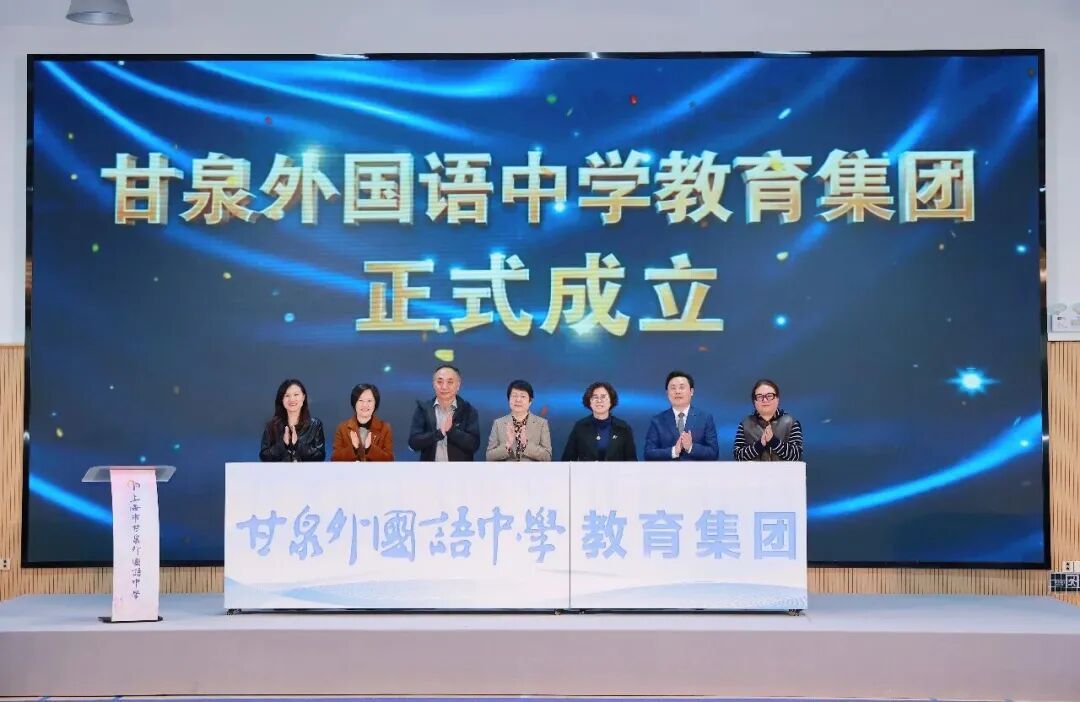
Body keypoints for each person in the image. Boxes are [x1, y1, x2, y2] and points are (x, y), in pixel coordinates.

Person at [408, 364, 481, 461]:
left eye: (450, 382)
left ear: (458, 385)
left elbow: (474, 445)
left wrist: (452, 431)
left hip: (460, 469)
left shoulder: (468, 410)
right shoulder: (423, 409)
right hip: (430, 469)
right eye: (439, 382)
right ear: (433, 384)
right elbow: (413, 443)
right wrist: (438, 434)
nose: (444, 386)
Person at [643, 370, 719, 461]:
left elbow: (714, 453)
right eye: (673, 388)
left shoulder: (705, 418)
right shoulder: (657, 421)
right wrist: (673, 451)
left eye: (682, 387)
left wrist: (690, 447)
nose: (677, 391)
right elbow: (648, 454)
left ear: (691, 391)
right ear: (667, 393)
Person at [561, 381, 637, 461]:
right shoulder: (580, 427)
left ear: (611, 401)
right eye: (595, 397)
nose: (599, 400)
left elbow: (632, 461)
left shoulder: (623, 428)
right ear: (590, 402)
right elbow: (567, 460)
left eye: (603, 397)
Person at [733, 378, 804, 461]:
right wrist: (759, 445)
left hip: (784, 470)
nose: (765, 400)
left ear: (777, 399)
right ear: (754, 401)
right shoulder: (745, 423)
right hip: (754, 470)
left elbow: (796, 455)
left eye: (769, 396)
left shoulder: (791, 422)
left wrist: (774, 441)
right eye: (760, 396)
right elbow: (738, 456)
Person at [259, 378, 325, 462]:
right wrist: (282, 445)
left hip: (305, 471)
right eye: (287, 396)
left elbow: (320, 456)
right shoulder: (271, 426)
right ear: (282, 400)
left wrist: (297, 445)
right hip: (280, 470)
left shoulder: (315, 425)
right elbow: (264, 456)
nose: (292, 399)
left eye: (296, 394)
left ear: (303, 397)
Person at [486, 379, 552, 461]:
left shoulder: (541, 423)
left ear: (530, 401)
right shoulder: (498, 423)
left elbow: (547, 457)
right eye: (514, 396)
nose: (518, 400)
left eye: (523, 396)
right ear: (509, 399)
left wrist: (525, 445)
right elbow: (489, 457)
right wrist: (507, 445)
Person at [331, 383, 394, 462]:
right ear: (354, 403)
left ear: (375, 403)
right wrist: (353, 448)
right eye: (360, 400)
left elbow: (390, 460)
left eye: (369, 401)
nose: (365, 405)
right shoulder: (342, 428)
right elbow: (334, 460)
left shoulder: (385, 428)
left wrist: (370, 448)